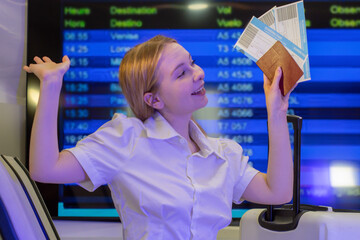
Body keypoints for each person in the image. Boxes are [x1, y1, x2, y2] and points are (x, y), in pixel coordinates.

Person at [24, 35, 294, 240]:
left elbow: (277, 192)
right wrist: (51, 85)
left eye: (193, 62)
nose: (198, 73)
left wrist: (277, 112)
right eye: (182, 73)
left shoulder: (223, 154)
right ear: (153, 99)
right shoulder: (126, 138)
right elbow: (45, 169)